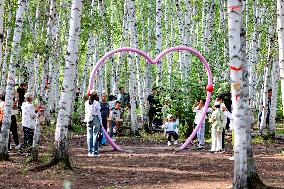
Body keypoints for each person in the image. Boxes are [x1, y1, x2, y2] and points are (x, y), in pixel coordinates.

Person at [84, 89, 102, 157]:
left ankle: (90, 151)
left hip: (88, 119)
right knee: (95, 135)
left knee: (89, 136)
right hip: (95, 118)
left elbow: (86, 112)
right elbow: (99, 114)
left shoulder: (86, 103)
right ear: (95, 95)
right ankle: (95, 152)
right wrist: (101, 122)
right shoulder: (97, 103)